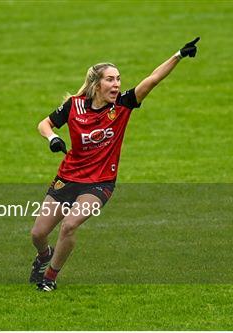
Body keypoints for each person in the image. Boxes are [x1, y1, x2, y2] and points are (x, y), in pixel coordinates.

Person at [30, 37, 200, 291]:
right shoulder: (74, 106)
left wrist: (178, 54)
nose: (117, 84)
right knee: (37, 234)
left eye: (118, 79)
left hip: (99, 182)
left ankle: (50, 278)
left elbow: (152, 79)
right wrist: (53, 138)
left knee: (69, 225)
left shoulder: (123, 105)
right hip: (68, 176)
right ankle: (44, 257)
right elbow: (44, 124)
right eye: (110, 79)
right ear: (96, 85)